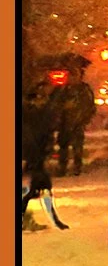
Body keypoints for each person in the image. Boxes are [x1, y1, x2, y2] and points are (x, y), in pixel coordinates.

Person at [19, 83, 69, 230]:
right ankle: (52, 220)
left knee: (35, 189)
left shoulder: (33, 114)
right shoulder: (32, 114)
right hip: (31, 156)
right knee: (34, 189)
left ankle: (49, 219)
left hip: (34, 157)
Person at [53, 77, 95, 176]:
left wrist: (84, 119)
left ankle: (77, 166)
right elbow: (56, 106)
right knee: (64, 146)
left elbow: (90, 106)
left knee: (77, 146)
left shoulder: (83, 90)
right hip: (65, 124)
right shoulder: (63, 90)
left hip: (77, 123)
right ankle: (63, 167)